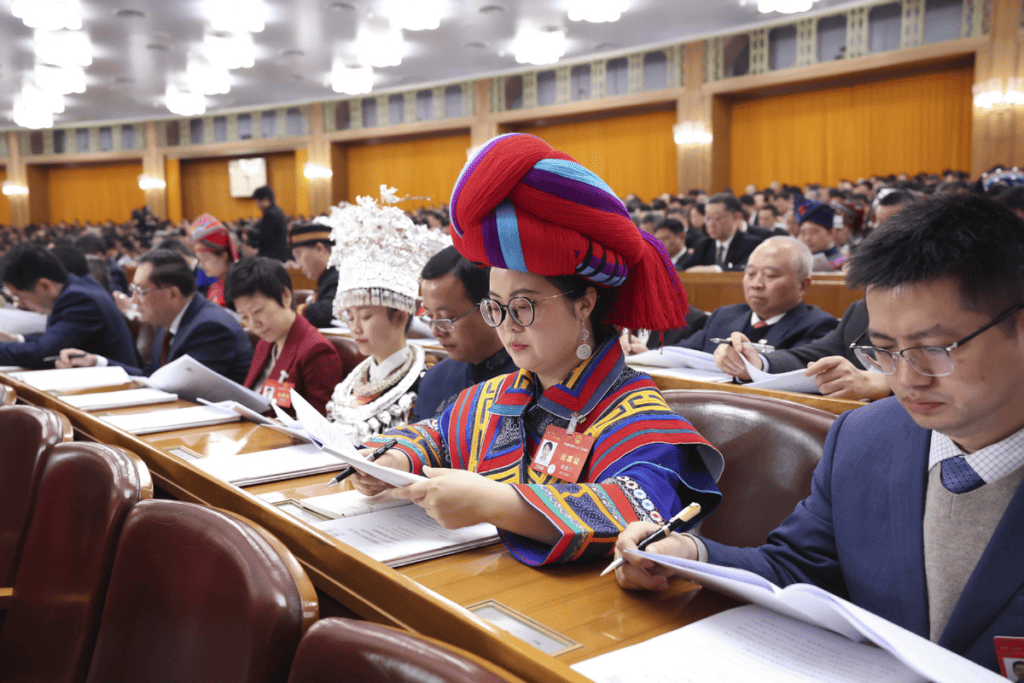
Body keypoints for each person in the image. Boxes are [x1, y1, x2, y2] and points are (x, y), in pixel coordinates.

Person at [614, 194, 1024, 674]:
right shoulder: (866, 437)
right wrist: (689, 553)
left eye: (933, 349)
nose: (908, 379)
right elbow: (797, 569)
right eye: (885, 350)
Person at [350, 133, 723, 566]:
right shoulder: (500, 394)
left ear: (583, 303)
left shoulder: (634, 411)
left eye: (524, 305)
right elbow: (437, 434)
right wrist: (393, 456)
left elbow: (637, 506)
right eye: (494, 307)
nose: (506, 325)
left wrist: (496, 503)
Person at [320, 187, 447, 444]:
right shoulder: (355, 378)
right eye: (350, 316)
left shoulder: (424, 382)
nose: (355, 328)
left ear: (399, 316)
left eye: (365, 317)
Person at [58, 249, 252, 383]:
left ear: (173, 293)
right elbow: (153, 376)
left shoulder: (210, 328)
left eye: (141, 291)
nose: (134, 299)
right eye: (132, 289)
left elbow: (177, 391)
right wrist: (97, 362)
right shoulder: (167, 321)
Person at [672, 236, 837, 353]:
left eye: (771, 275)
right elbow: (679, 354)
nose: (756, 284)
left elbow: (794, 368)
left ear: (803, 285)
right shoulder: (724, 316)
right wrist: (649, 354)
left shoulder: (819, 326)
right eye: (750, 274)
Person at [224, 257, 342, 415]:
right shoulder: (265, 342)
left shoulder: (316, 351)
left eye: (257, 311)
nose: (253, 324)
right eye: (244, 317)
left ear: (286, 296)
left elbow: (321, 425)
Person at [413, 246, 516, 421]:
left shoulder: (530, 379)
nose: (436, 331)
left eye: (447, 318)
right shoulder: (434, 380)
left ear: (490, 309)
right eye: (429, 317)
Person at [715, 299, 890, 401]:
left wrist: (886, 384)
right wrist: (758, 363)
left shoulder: (837, 260)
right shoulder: (860, 310)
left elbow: (837, 261)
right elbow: (809, 357)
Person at [0, 243, 137, 369]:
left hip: (119, 386)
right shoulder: (76, 286)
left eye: (20, 296)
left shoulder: (80, 300)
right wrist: (16, 339)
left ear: (45, 285)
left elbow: (43, 352)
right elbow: (56, 337)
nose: (21, 302)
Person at [676, 193, 762, 272]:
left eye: (716, 218)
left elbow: (744, 269)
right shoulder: (704, 244)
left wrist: (716, 270)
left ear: (736, 217)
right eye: (708, 218)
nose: (711, 224)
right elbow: (683, 267)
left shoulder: (752, 244)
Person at [289, 221, 338, 329]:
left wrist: (286, 313)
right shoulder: (328, 277)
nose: (298, 265)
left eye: (298, 255)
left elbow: (326, 311)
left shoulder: (339, 275)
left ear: (319, 249)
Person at [190, 214, 237, 306]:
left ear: (223, 256)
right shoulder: (214, 284)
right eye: (199, 260)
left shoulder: (240, 288)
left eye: (205, 259)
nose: (201, 265)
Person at [795, 198, 841, 269]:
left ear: (831, 232)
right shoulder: (798, 262)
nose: (807, 238)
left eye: (813, 232)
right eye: (803, 232)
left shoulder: (841, 261)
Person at [250, 186, 290, 262]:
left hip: (272, 256)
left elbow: (264, 236)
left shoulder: (270, 214)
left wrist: (249, 234)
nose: (257, 204)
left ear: (265, 199)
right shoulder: (277, 210)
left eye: (257, 201)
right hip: (279, 254)